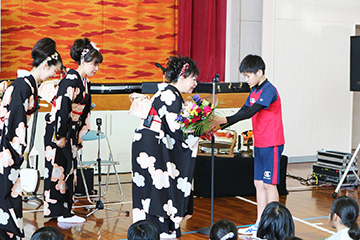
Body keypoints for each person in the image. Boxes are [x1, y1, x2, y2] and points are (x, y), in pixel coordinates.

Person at [212, 54, 285, 235]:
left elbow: (251, 112)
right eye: (245, 76)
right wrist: (219, 125)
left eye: (248, 76)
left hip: (272, 143)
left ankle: (273, 226)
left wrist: (222, 119)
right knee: (258, 184)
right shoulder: (254, 91)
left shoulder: (269, 90)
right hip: (260, 143)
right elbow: (242, 111)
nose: (247, 80)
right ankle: (260, 223)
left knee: (269, 185)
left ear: (259, 72)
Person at [0, 38, 62, 240]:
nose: (55, 74)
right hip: (7, 146)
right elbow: (15, 122)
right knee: (7, 191)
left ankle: (11, 231)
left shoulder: (30, 85)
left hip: (9, 145)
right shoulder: (24, 85)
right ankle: (8, 232)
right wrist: (17, 151)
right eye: (54, 70)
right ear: (45, 65)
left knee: (11, 191)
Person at [131, 55, 199, 239]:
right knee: (158, 185)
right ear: (183, 76)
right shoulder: (170, 95)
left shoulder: (169, 92)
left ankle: (158, 229)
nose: (195, 84)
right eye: (194, 79)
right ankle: (158, 230)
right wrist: (198, 132)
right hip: (151, 143)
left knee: (155, 186)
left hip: (150, 141)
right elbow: (177, 129)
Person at [43, 38, 103, 223]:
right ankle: (59, 211)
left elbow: (84, 111)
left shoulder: (84, 82)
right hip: (59, 129)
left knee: (70, 170)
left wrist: (78, 133)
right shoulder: (70, 80)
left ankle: (65, 210)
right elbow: (62, 108)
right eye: (94, 64)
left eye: (98, 65)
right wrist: (60, 135)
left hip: (71, 129)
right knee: (58, 168)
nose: (96, 68)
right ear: (83, 61)